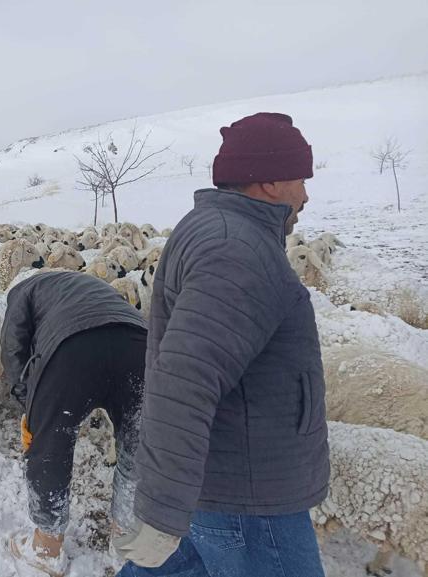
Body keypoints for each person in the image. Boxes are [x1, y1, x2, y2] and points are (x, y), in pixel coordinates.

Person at [115, 112, 329, 577]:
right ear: (269, 181)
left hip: (220, 480)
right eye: (300, 178)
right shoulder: (238, 249)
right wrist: (163, 511)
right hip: (250, 499)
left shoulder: (217, 229)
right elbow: (186, 379)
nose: (306, 194)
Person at [1, 271, 147, 577]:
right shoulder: (93, 288)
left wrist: (30, 406)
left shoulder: (22, 292)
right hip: (138, 345)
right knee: (139, 444)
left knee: (51, 447)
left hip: (73, 351)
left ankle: (46, 547)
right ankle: (126, 539)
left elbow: (14, 347)